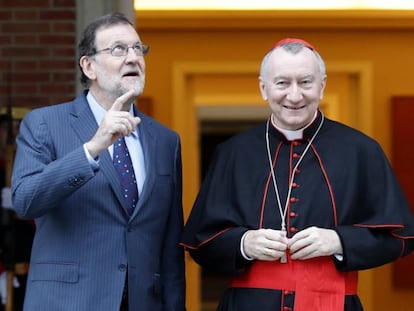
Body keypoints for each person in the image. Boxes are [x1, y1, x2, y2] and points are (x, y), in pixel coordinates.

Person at [180, 38, 414, 311]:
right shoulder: (233, 152)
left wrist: (338, 241)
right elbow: (199, 243)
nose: (294, 95)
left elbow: (400, 237)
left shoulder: (360, 150)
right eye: (282, 83)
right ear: (263, 88)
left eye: (305, 82)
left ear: (322, 85)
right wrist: (244, 243)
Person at [11, 12, 186, 311]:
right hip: (68, 303)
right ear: (88, 65)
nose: (133, 58)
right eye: (118, 49)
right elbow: (26, 200)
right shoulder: (44, 123)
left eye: (138, 49)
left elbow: (170, 248)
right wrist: (92, 149)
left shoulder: (165, 140)